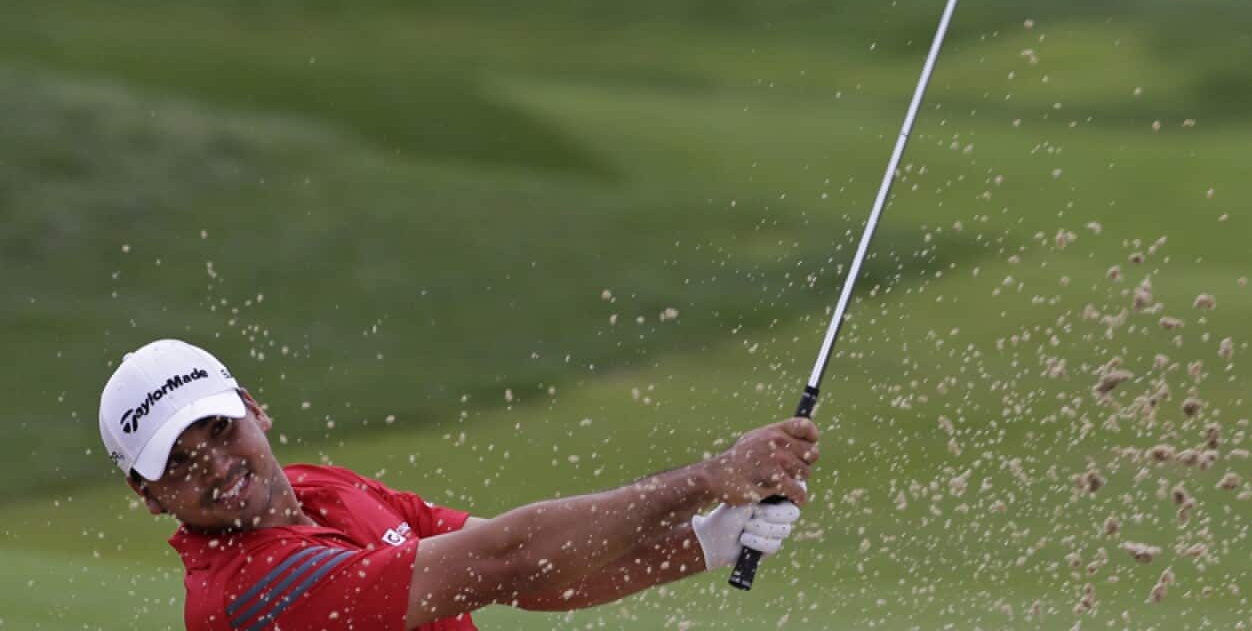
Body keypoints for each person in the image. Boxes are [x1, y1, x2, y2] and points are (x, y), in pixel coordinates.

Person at [99, 339, 820, 630]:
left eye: (221, 432)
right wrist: (706, 479)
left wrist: (704, 542)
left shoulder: (319, 488)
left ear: (254, 408)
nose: (216, 467)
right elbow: (499, 560)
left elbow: (533, 578)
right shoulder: (249, 591)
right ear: (149, 495)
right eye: (179, 462)